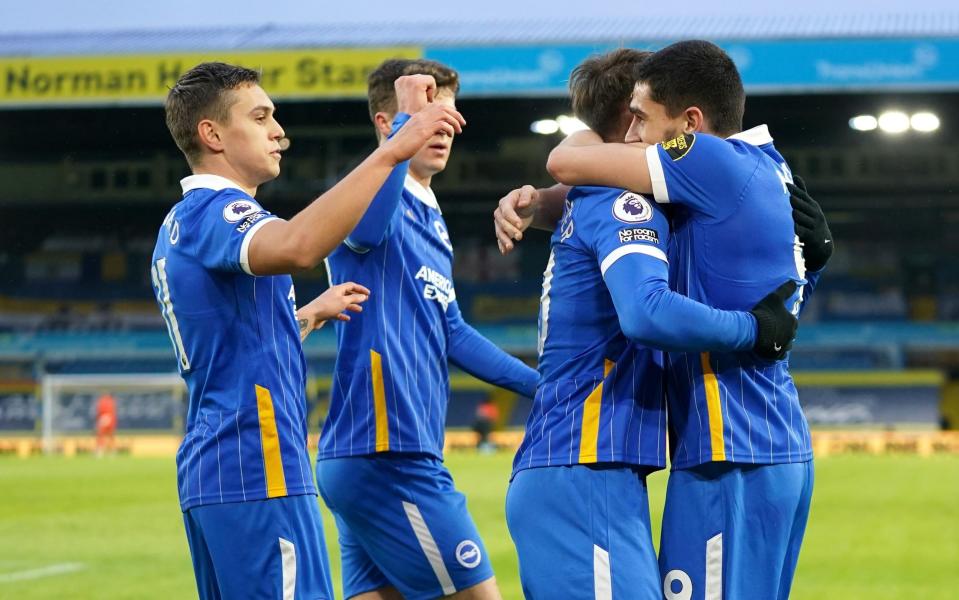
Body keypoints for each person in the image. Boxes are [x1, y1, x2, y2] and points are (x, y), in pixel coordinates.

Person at [501, 40, 833, 600]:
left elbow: (568, 160)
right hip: (766, 444)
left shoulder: (701, 157)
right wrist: (545, 205)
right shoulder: (766, 168)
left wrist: (563, 169)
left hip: (731, 448)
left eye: (642, 118)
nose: (634, 133)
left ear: (690, 124)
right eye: (628, 119)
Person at [151, 61, 465, 600]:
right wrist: (393, 148)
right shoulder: (219, 211)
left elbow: (228, 347)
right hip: (259, 463)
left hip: (218, 468)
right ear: (213, 134)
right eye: (261, 116)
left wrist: (305, 316)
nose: (279, 131)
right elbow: (299, 245)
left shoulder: (178, 223)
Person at [315, 59, 538, 600]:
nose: (441, 126)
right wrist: (404, 128)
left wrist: (546, 387)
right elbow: (365, 232)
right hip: (387, 450)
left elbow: (453, 332)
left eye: (449, 115)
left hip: (382, 453)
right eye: (428, 112)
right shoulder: (366, 189)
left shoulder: (430, 214)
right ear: (383, 122)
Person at [94, 391, 117, 457]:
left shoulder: (102, 401)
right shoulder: (112, 401)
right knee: (110, 436)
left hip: (104, 417)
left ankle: (100, 451)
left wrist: (98, 419)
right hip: (110, 418)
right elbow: (113, 411)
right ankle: (112, 451)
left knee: (101, 435)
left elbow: (99, 411)